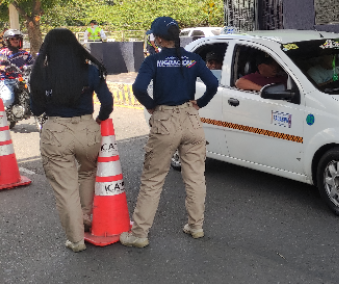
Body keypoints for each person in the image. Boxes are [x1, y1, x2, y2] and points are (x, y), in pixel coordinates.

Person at [121, 17, 218, 248]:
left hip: (165, 121)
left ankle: (139, 234)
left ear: (159, 38)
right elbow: (213, 84)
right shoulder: (193, 59)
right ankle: (196, 226)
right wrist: (200, 102)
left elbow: (137, 88)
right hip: (191, 119)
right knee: (195, 176)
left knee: (153, 179)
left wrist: (151, 105)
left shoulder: (153, 61)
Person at [29, 28, 114, 253]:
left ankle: (76, 240)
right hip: (87, 128)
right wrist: (98, 120)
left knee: (66, 189)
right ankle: (86, 217)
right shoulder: (90, 71)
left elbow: (36, 108)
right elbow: (107, 102)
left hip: (56, 131)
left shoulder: (41, 75)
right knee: (87, 172)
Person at [0, 29, 34, 108]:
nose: (15, 40)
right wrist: (6, 68)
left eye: (17, 38)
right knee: (7, 100)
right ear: (7, 40)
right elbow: (1, 64)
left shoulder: (24, 53)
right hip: (7, 81)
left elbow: (32, 62)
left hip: (21, 80)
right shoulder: (3, 52)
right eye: (12, 39)